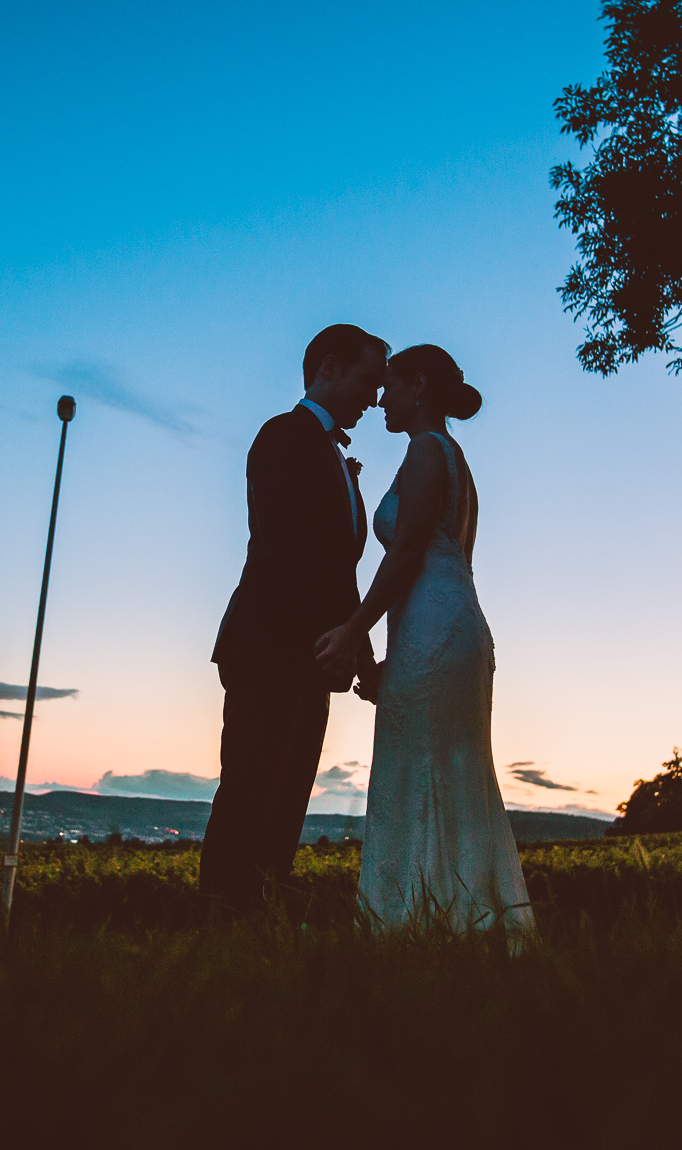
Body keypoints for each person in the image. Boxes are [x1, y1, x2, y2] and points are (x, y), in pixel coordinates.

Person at [315, 345, 534, 938]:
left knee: (422, 766)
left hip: (435, 631)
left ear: (417, 386)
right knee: (452, 766)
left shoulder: (424, 453)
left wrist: (353, 629)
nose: (381, 398)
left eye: (389, 385)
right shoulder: (454, 458)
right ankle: (466, 917)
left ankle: (418, 923)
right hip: (450, 622)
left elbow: (409, 553)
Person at [202, 324, 388, 915]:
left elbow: (338, 566)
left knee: (286, 804)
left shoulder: (335, 455)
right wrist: (327, 643)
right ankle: (222, 924)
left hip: (308, 658)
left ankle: (259, 927)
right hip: (268, 650)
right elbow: (285, 551)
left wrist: (357, 650)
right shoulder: (282, 436)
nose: (375, 397)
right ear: (328, 368)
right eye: (368, 380)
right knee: (250, 796)